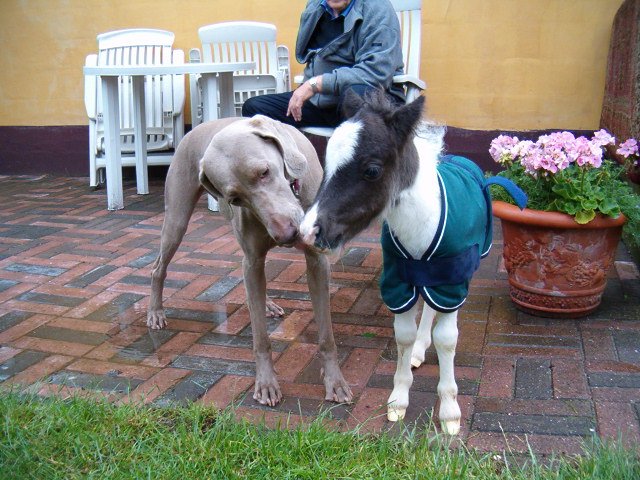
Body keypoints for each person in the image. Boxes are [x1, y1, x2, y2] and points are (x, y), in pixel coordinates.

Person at [242, 0, 405, 128]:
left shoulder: (378, 10)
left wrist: (315, 84)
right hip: (323, 101)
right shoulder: (316, 6)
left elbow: (376, 73)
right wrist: (307, 86)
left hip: (372, 101)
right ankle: (289, 159)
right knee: (255, 109)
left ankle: (352, 162)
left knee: (353, 97)